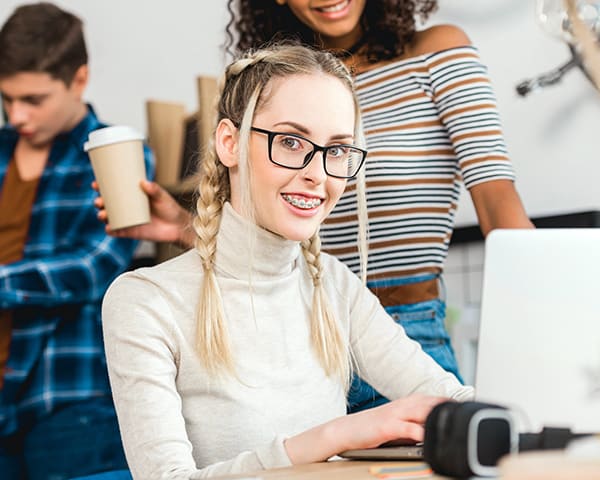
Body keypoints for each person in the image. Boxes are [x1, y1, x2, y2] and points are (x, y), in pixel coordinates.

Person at [97, 0, 534, 413]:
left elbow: (497, 202)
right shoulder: (274, 82)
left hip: (407, 332)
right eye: (291, 141)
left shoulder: (436, 54)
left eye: (339, 148)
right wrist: (184, 227)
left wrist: (548, 328)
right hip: (295, 343)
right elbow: (268, 243)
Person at [101, 43, 473, 479]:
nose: (319, 174)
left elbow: (447, 396)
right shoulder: (145, 302)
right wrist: (334, 437)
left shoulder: (334, 286)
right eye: (292, 141)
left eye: (337, 150)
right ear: (229, 143)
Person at [0, 3, 154, 479]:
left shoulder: (115, 152)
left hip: (69, 394)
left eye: (33, 99)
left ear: (79, 79)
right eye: (6, 99)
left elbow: (96, 266)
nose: (17, 114)